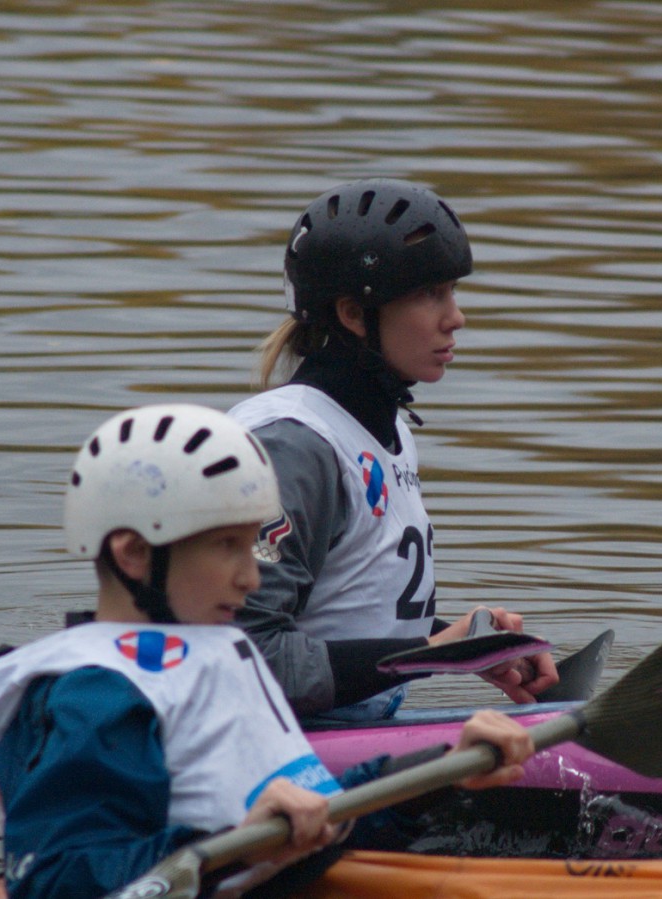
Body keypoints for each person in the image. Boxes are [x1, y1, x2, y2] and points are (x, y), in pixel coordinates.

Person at [0, 404, 534, 899]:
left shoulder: (220, 653)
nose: (251, 577)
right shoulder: (98, 695)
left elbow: (322, 816)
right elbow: (60, 884)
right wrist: (237, 845)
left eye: (254, 547)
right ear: (134, 554)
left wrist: (437, 772)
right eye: (227, 547)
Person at [229, 178, 559, 719]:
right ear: (353, 314)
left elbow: (348, 617)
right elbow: (241, 659)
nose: (456, 317)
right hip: (269, 748)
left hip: (340, 730)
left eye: (451, 292)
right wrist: (432, 653)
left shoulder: (384, 429)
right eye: (430, 294)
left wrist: (472, 645)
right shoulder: (290, 449)